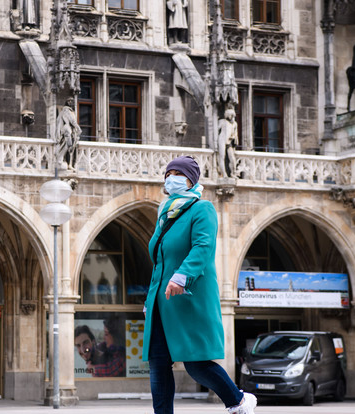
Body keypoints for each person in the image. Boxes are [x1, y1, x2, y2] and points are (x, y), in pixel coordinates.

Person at [143, 155, 256, 414]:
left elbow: (203, 247)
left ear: (191, 179)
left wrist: (181, 276)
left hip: (188, 298)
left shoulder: (201, 209)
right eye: (168, 173)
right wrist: (149, 301)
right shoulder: (165, 215)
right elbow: (159, 262)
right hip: (162, 302)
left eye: (177, 173)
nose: (171, 178)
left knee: (196, 363)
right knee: (158, 363)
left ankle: (238, 401)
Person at [55, 97, 81, 170]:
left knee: (70, 148)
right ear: (69, 102)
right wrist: (79, 128)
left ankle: (69, 164)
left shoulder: (68, 111)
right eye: (72, 102)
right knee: (68, 147)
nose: (73, 104)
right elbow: (72, 121)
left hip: (70, 132)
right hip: (68, 132)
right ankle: (66, 162)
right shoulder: (67, 110)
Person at [217, 106, 238, 178]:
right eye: (229, 115)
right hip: (222, 140)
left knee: (232, 158)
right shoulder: (222, 121)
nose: (230, 116)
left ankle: (233, 173)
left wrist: (234, 137)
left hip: (229, 141)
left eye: (232, 115)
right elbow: (216, 130)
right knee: (222, 157)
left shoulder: (235, 124)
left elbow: (235, 134)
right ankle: (224, 174)